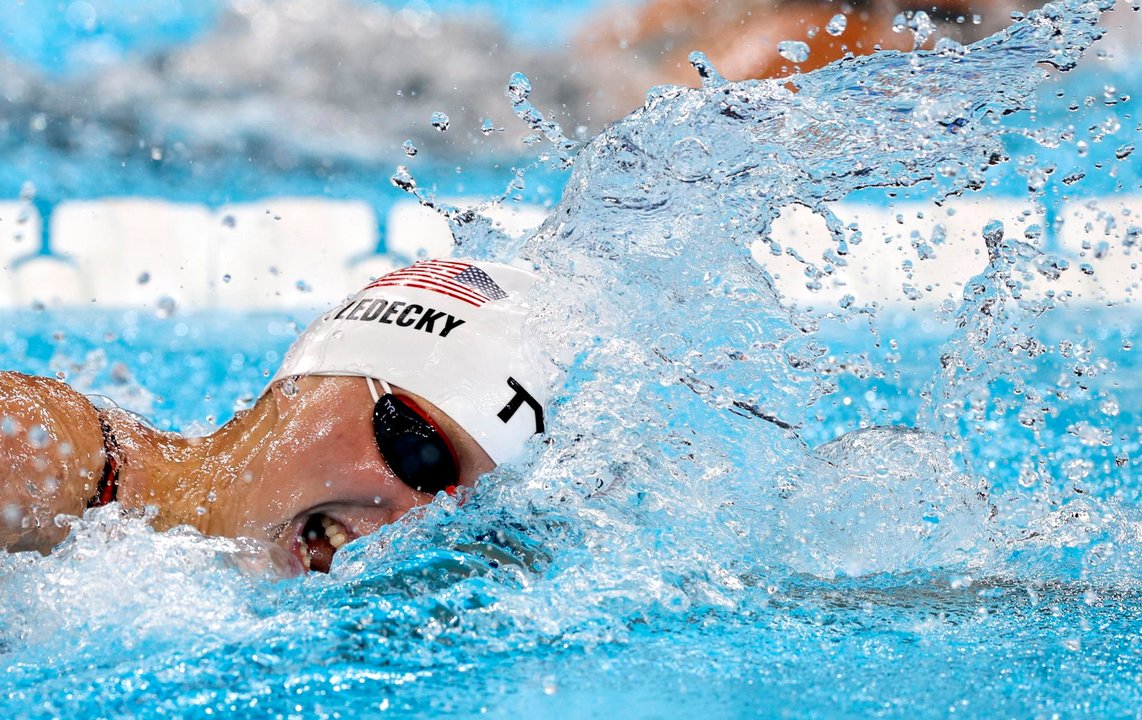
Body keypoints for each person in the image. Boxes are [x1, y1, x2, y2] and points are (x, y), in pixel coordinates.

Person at [0, 258, 553, 574]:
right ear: (308, 380)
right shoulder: (45, 461)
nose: (416, 523)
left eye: (470, 515)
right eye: (419, 452)